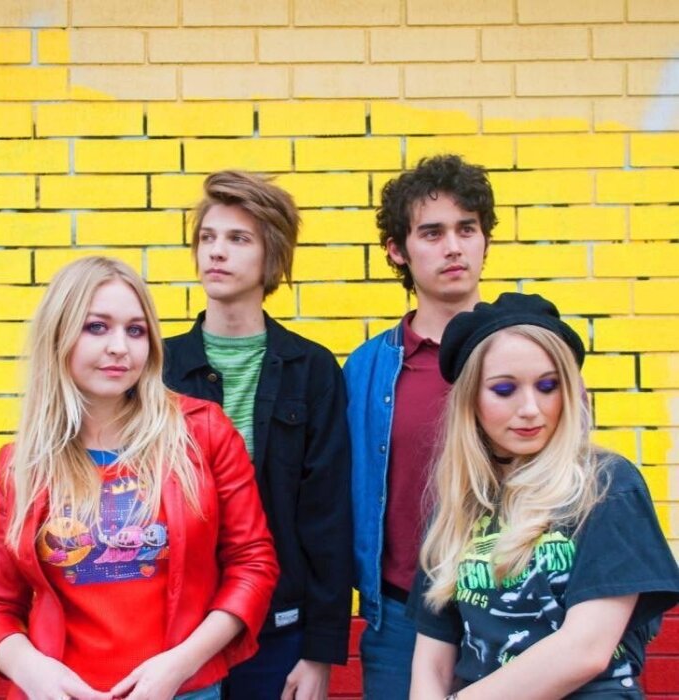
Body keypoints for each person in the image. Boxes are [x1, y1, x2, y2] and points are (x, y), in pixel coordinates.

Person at [0, 256, 279, 700]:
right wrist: (32, 670)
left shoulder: (203, 432)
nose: (120, 346)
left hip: (183, 690)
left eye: (136, 330)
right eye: (97, 327)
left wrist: (180, 665)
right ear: (58, 335)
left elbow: (253, 564)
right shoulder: (23, 464)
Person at [410, 292, 679, 699]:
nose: (531, 409)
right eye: (505, 390)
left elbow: (585, 650)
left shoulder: (605, 485)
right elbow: (433, 662)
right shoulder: (457, 508)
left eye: (548, 386)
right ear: (471, 402)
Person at [163, 170, 352, 700]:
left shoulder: (311, 369)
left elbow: (327, 516)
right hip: (175, 627)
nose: (216, 251)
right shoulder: (158, 367)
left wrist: (320, 651)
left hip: (278, 627)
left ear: (272, 256)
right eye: (207, 237)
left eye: (238, 238)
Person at [343, 154, 497, 697]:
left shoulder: (527, 355)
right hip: (400, 620)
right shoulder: (366, 369)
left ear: (484, 240)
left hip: (509, 607)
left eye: (466, 229)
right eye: (432, 233)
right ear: (397, 250)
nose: (453, 247)